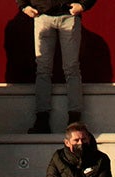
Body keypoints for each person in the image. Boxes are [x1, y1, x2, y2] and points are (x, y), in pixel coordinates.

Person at [18, 0, 95, 134]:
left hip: (69, 16)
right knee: (43, 70)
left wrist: (84, 5)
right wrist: (24, 6)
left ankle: (75, 121)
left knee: (71, 69)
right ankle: (42, 120)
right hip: (42, 16)